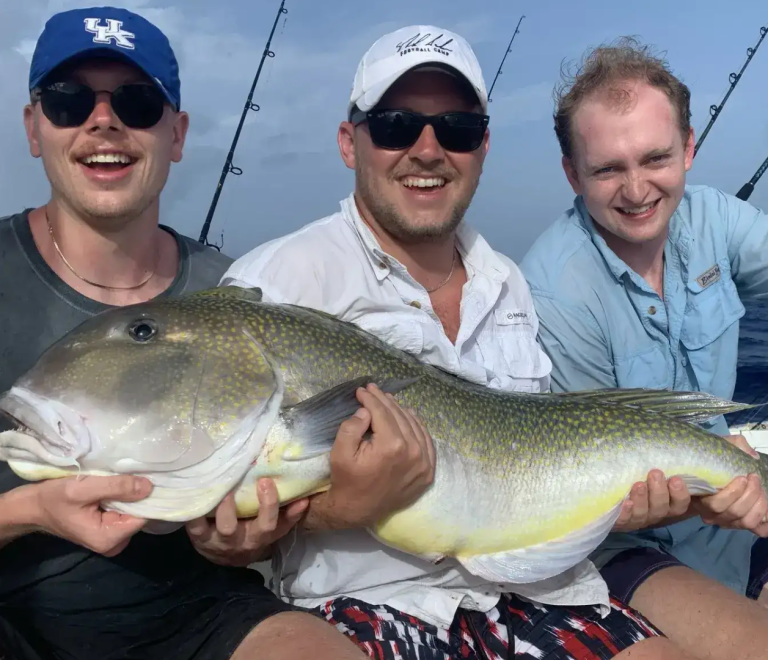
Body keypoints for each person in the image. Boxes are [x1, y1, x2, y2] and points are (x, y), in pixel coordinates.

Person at [209, 25, 695, 660]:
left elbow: (530, 460)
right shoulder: (273, 286)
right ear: (348, 142)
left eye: (457, 129)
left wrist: (618, 506)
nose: (428, 149)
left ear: (483, 146)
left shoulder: (510, 283)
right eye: (395, 125)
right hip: (368, 604)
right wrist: (333, 509)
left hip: (541, 594)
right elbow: (223, 512)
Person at [0, 6, 386, 659]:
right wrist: (30, 511)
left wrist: (254, 538)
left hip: (204, 609)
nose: (104, 120)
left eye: (137, 101)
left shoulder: (235, 291)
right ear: (34, 127)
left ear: (177, 135)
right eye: (69, 101)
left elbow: (294, 471)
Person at [520, 36, 768, 660]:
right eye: (607, 168)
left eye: (655, 157)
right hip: (626, 543)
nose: (636, 190)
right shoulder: (554, 291)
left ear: (688, 149)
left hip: (731, 511)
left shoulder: (717, 220)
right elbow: (589, 495)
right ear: (573, 174)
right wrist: (717, 487)